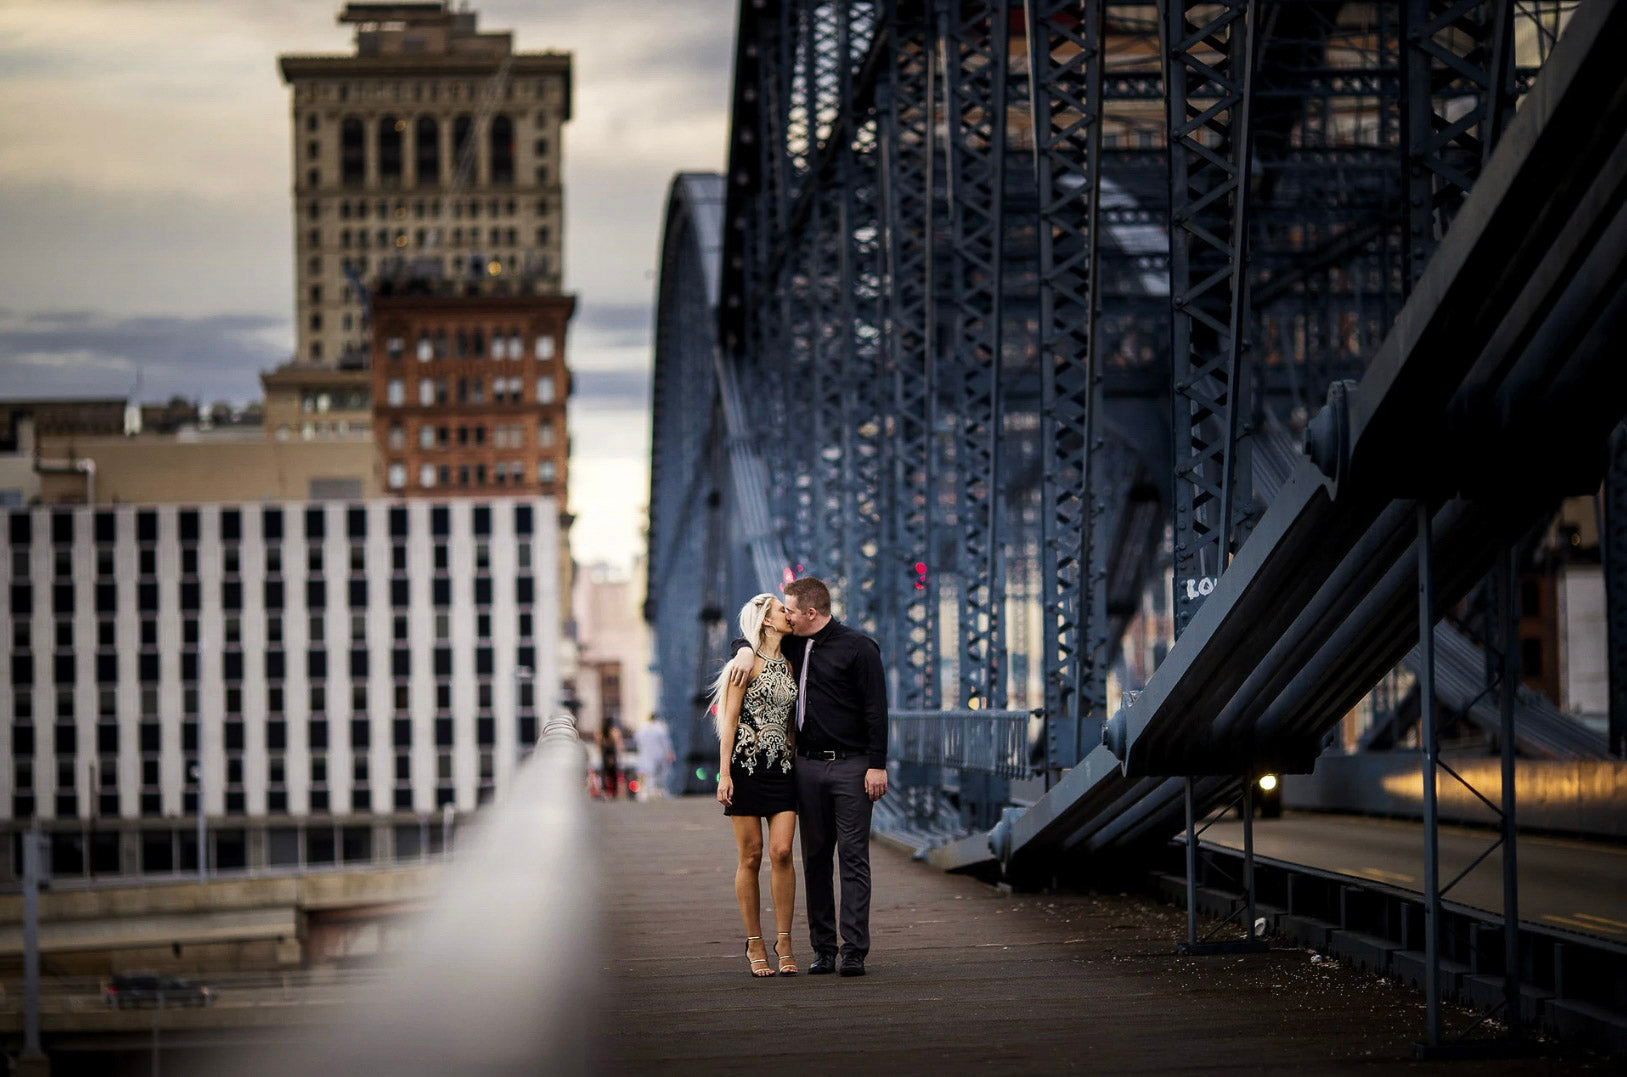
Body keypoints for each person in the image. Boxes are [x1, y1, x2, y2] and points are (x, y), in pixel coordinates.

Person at [729, 576, 887, 977]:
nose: (787, 615)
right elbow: (753, 636)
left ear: (810, 613)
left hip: (853, 766)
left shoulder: (859, 648)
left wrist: (877, 764)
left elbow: (876, 710)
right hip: (806, 767)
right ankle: (823, 949)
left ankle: (853, 950)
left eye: (791, 610)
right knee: (814, 858)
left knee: (853, 859)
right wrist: (743, 649)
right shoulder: (793, 643)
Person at [714, 593, 800, 978]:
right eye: (783, 610)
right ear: (767, 619)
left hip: (782, 768)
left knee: (782, 852)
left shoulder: (794, 660)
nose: (789, 614)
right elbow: (729, 720)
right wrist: (724, 775)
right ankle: (754, 941)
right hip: (745, 766)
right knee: (751, 856)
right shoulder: (742, 664)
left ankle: (785, 939)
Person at [634, 716, 675, 799]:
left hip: (646, 754)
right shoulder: (660, 728)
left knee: (647, 774)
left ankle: (646, 793)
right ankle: (658, 791)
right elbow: (666, 743)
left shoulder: (642, 729)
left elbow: (636, 741)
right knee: (660, 775)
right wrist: (670, 753)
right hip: (659, 755)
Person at [598, 716, 624, 799]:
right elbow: (618, 745)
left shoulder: (600, 732)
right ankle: (613, 792)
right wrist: (620, 756)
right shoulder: (614, 732)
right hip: (612, 753)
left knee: (605, 773)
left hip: (604, 754)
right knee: (613, 774)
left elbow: (599, 745)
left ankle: (605, 791)